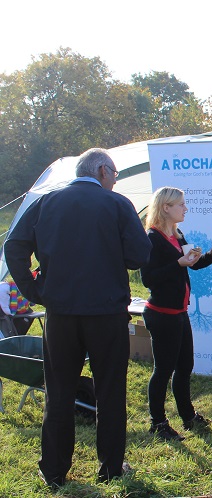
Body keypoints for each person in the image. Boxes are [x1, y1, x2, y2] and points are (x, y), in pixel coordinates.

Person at [4, 148, 152, 487]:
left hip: (61, 314)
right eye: (114, 174)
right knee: (111, 391)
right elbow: (139, 256)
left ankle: (53, 471)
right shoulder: (117, 205)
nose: (115, 181)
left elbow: (14, 246)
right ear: (102, 170)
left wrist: (33, 291)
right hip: (107, 313)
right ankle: (111, 468)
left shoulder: (46, 202)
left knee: (58, 392)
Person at [141, 187, 212, 441]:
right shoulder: (152, 238)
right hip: (161, 313)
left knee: (184, 366)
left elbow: (194, 264)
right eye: (181, 205)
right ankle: (158, 423)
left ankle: (188, 416)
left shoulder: (177, 234)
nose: (185, 208)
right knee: (163, 370)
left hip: (179, 312)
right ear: (166, 207)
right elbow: (148, 279)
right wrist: (178, 264)